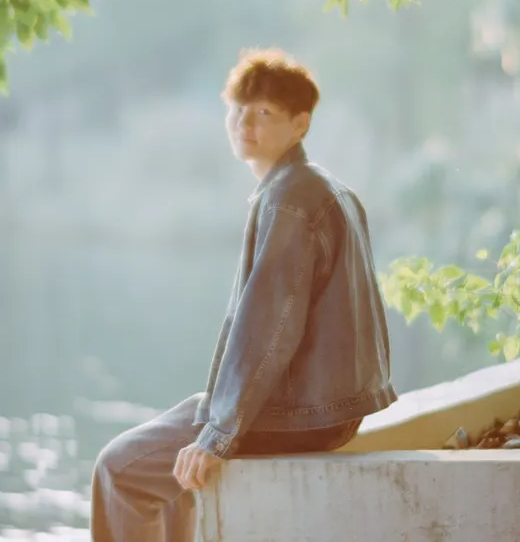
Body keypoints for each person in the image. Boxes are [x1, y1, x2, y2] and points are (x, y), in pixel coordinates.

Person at [90, 47, 397, 542]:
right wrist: (214, 422)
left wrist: (216, 436)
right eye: (238, 109)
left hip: (305, 413)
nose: (244, 123)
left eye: (264, 113)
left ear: (300, 124)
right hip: (332, 408)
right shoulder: (321, 188)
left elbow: (269, 329)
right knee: (174, 465)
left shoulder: (290, 199)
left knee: (118, 469)